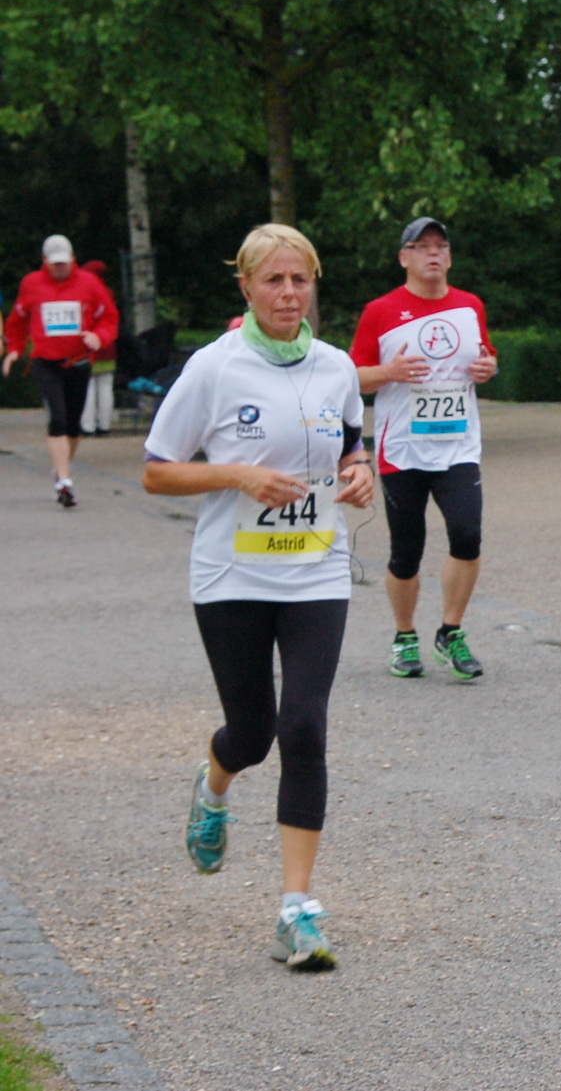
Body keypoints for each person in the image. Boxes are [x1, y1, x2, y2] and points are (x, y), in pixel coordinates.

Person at [143, 224, 372, 972]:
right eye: (273, 280)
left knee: (303, 725)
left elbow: (350, 444)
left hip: (316, 569)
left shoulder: (337, 367)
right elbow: (157, 470)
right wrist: (236, 474)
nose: (288, 293)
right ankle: (215, 787)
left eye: (300, 279)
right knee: (252, 733)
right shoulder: (213, 369)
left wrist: (360, 471)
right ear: (245, 286)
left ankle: (296, 910)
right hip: (232, 576)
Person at [350, 217, 497, 680]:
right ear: (404, 257)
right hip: (402, 449)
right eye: (422, 245)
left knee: (467, 536)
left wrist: (488, 368)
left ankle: (450, 631)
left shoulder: (470, 305)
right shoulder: (380, 311)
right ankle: (404, 636)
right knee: (406, 550)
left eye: (441, 246)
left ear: (449, 257)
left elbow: (486, 356)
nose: (433, 253)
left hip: (458, 446)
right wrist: (388, 372)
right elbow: (352, 377)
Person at [2, 235, 121, 506]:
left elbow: (109, 317)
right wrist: (15, 350)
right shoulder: (31, 283)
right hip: (46, 362)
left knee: (72, 425)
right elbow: (18, 320)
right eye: (54, 263)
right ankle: (65, 481)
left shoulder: (89, 283)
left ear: (73, 260)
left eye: (64, 263)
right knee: (57, 419)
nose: (59, 268)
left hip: (78, 362)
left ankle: (60, 469)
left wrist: (99, 337)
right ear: (45, 261)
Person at [79, 260, 119, 437]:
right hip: (108, 347)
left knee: (88, 386)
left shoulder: (85, 293)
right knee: (106, 387)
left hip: (89, 347)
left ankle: (87, 426)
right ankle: (104, 425)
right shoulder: (109, 293)